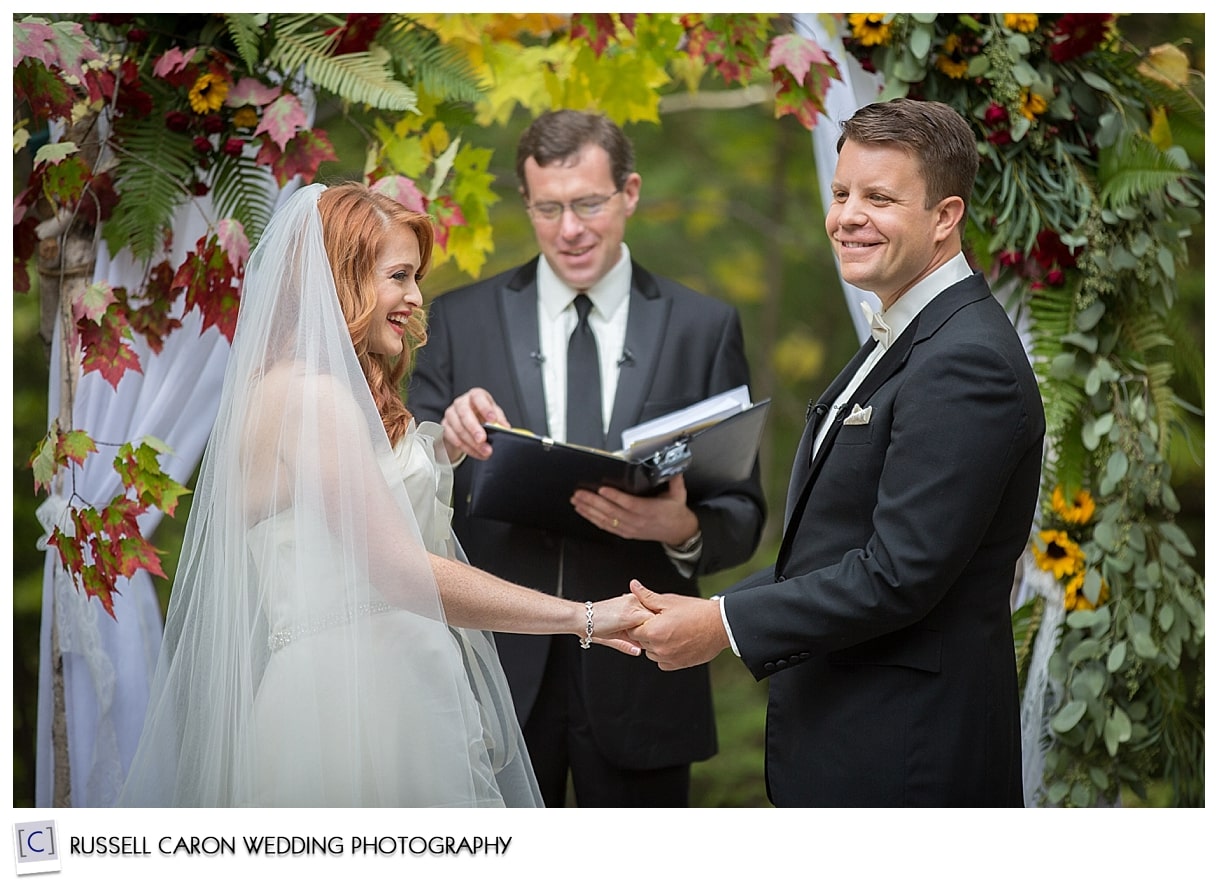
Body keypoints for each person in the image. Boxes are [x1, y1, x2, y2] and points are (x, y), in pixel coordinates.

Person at [117, 182, 649, 808]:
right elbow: (399, 570)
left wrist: (443, 444)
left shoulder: (301, 391)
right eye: (399, 275)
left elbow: (355, 511)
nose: (416, 297)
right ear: (342, 280)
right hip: (351, 710)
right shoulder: (309, 397)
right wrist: (583, 617)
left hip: (388, 689)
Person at [627, 99, 1045, 807]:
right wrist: (720, 605)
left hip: (909, 757)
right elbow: (837, 546)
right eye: (842, 192)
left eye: (878, 197)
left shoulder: (964, 360)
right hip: (855, 737)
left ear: (945, 217)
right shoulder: (910, 332)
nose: (848, 215)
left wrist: (723, 624)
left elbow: (898, 573)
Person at [407, 109, 765, 807]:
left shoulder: (703, 326)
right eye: (549, 209)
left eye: (588, 204)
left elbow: (743, 514)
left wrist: (681, 530)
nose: (569, 229)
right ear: (528, 204)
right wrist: (445, 442)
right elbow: (398, 506)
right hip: (493, 677)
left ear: (629, 192)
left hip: (647, 673)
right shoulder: (456, 320)